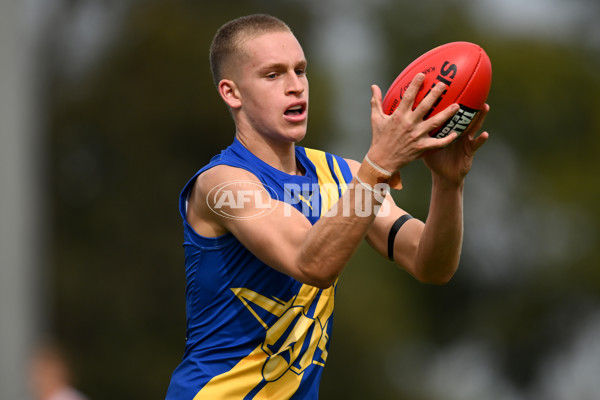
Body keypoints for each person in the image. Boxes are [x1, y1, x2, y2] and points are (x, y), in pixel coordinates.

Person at [165, 13, 489, 400]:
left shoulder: (343, 176)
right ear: (231, 93)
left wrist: (447, 185)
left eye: (300, 71)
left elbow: (430, 264)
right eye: (273, 75)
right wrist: (380, 164)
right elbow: (311, 263)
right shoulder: (222, 184)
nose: (295, 87)